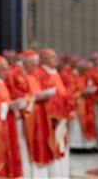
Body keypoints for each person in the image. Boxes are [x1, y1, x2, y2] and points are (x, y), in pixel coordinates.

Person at [33, 48, 71, 178]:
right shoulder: (39, 73)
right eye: (51, 57)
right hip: (49, 118)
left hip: (62, 117)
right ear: (43, 59)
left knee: (61, 145)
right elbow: (41, 94)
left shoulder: (55, 73)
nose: (55, 59)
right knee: (51, 147)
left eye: (55, 57)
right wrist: (54, 115)